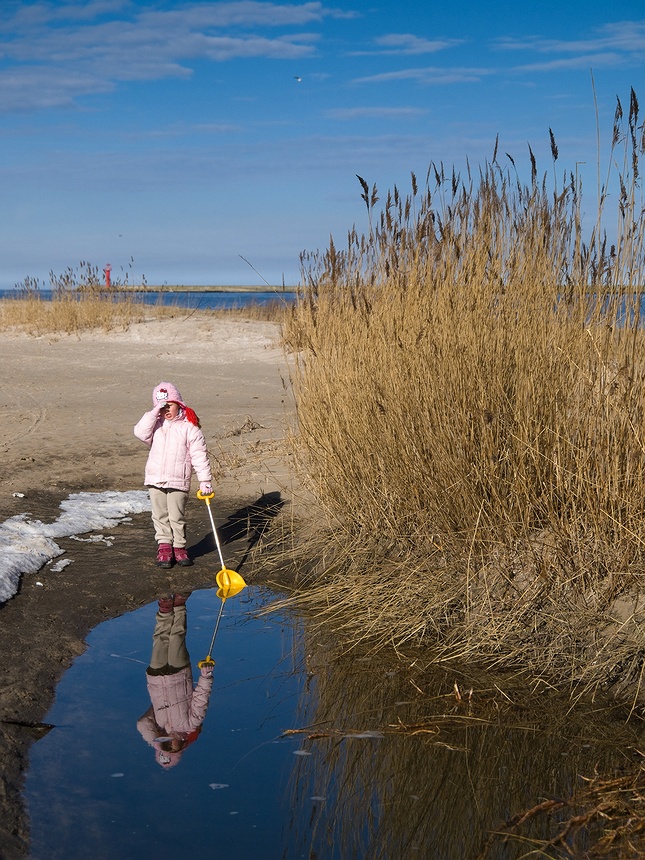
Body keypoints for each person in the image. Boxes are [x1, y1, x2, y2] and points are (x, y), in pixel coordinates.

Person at [134, 381, 213, 568]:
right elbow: (139, 432)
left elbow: (199, 455)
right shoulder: (155, 425)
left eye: (169, 405)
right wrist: (154, 413)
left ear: (179, 404)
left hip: (178, 479)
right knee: (159, 514)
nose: (165, 410)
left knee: (176, 515)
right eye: (162, 407)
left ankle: (179, 547)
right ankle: (164, 547)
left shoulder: (189, 428)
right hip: (155, 478)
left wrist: (205, 480)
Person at [137, 591, 214, 769]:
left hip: (156, 678)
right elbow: (201, 697)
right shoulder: (191, 724)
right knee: (176, 637)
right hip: (179, 673)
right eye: (173, 749)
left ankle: (165, 607)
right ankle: (179, 606)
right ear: (182, 747)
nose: (169, 745)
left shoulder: (157, 726)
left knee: (160, 639)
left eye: (165, 747)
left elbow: (141, 724)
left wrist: (155, 741)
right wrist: (206, 676)